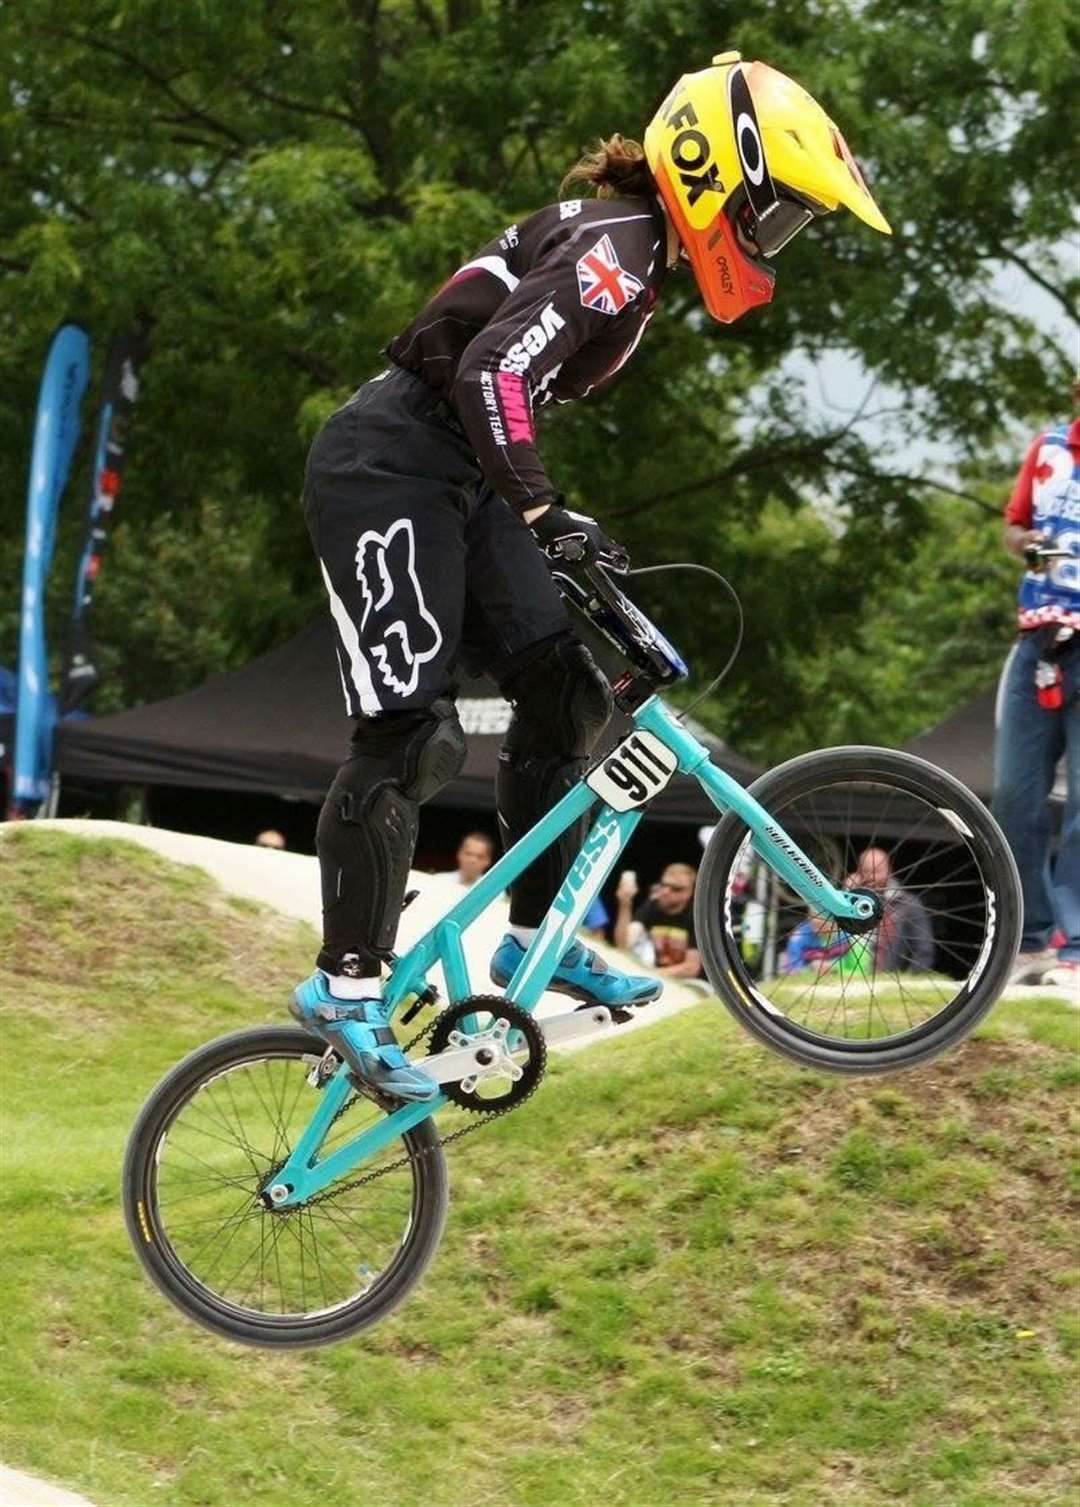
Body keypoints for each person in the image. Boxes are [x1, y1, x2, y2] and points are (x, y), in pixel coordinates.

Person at [290, 51, 892, 1099]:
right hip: (386, 467)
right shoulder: (617, 249)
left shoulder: (632, 254)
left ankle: (532, 939)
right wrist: (538, 504)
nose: (775, 243)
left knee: (563, 686)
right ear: (721, 182)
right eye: (777, 216)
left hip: (461, 478)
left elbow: (496, 391)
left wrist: (560, 526)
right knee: (409, 732)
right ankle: (345, 990)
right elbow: (493, 371)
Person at [992, 380, 1080, 989]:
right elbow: (1014, 526)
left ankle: (1075, 943)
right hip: (1038, 643)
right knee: (1015, 796)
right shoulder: (1048, 447)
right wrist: (1032, 547)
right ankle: (1031, 937)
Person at [781, 846, 933, 974]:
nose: (871, 876)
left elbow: (923, 951)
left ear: (889, 870)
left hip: (889, 979)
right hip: (854, 977)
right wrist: (848, 891)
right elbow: (832, 928)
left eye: (877, 870)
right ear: (859, 872)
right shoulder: (850, 902)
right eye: (866, 871)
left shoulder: (908, 904)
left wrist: (909, 980)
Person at [613, 864, 703, 979]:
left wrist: (652, 974)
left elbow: (691, 968)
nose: (666, 891)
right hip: (655, 973)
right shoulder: (652, 905)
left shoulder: (696, 917)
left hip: (689, 983)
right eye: (664, 885)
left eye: (676, 889)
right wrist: (625, 903)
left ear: (691, 892)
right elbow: (624, 944)